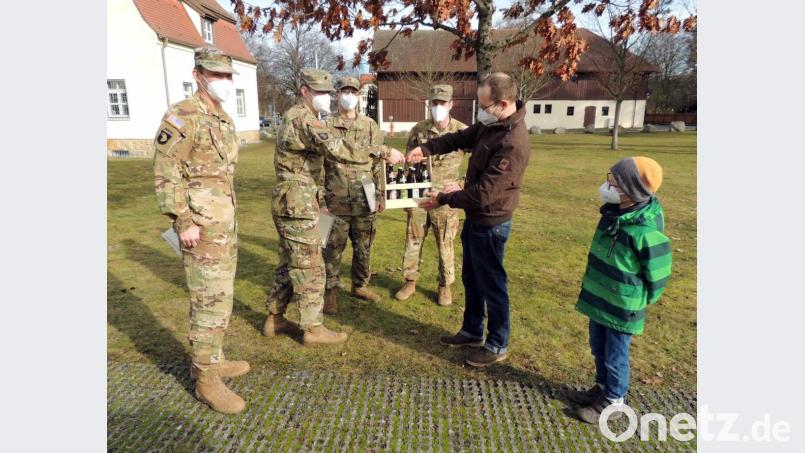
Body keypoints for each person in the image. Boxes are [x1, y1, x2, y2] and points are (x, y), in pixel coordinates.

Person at [261, 69, 404, 346]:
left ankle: (274, 318)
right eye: (320, 92)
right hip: (299, 202)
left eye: (327, 92)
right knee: (313, 266)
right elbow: (339, 148)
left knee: (288, 263)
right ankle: (313, 329)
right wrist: (385, 151)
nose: (326, 98)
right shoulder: (303, 119)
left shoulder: (309, 118)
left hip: (300, 200)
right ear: (305, 91)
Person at [407, 72, 530, 367]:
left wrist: (444, 199)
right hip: (477, 220)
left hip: (492, 222)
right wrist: (426, 148)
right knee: (471, 278)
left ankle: (497, 343)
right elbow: (462, 137)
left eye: (484, 107)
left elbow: (485, 194)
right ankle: (472, 330)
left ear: (503, 103)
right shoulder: (492, 125)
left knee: (492, 284)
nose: (480, 113)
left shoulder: (512, 142)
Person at [152, 47, 248, 414]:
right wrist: (183, 221)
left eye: (227, 75)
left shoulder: (222, 118)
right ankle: (206, 380)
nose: (223, 81)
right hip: (200, 229)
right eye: (216, 74)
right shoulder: (182, 116)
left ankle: (214, 359)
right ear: (198, 74)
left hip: (224, 225)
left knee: (220, 299)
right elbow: (167, 172)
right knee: (209, 303)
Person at [568, 157, 672, 425]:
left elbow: (658, 275)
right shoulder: (612, 215)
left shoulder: (645, 232)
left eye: (613, 182)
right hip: (601, 301)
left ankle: (614, 400)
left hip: (622, 308)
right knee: (598, 348)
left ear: (632, 189)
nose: (607, 185)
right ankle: (602, 389)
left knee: (615, 356)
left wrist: (636, 302)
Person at [395, 85, 468, 306]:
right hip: (419, 194)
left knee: (445, 243)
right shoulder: (418, 130)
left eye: (442, 103)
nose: (437, 107)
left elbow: (479, 165)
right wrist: (406, 197)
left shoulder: (462, 131)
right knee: (413, 239)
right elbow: (408, 165)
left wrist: (462, 184)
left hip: (447, 198)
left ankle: (445, 285)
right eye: (434, 103)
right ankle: (410, 280)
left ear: (451, 104)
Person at [322, 76, 386, 312]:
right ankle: (329, 290)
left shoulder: (370, 125)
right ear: (337, 94)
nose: (349, 95)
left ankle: (359, 285)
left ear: (359, 96)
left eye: (353, 91)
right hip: (332, 199)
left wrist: (381, 196)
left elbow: (378, 163)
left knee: (364, 245)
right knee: (329, 248)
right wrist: (319, 200)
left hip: (365, 197)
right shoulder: (325, 126)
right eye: (344, 90)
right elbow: (316, 165)